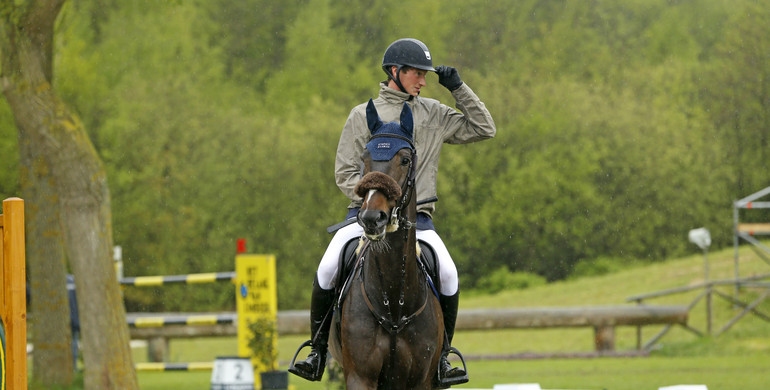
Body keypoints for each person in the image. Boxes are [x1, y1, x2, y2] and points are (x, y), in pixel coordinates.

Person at [289, 38, 496, 385]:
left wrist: (459, 89)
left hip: (418, 222)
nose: (423, 81)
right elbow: (344, 174)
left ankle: (444, 357)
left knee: (448, 274)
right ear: (395, 72)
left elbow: (484, 128)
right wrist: (375, 202)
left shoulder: (434, 113)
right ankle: (317, 350)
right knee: (328, 267)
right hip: (366, 217)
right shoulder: (362, 115)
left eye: (426, 75)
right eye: (417, 73)